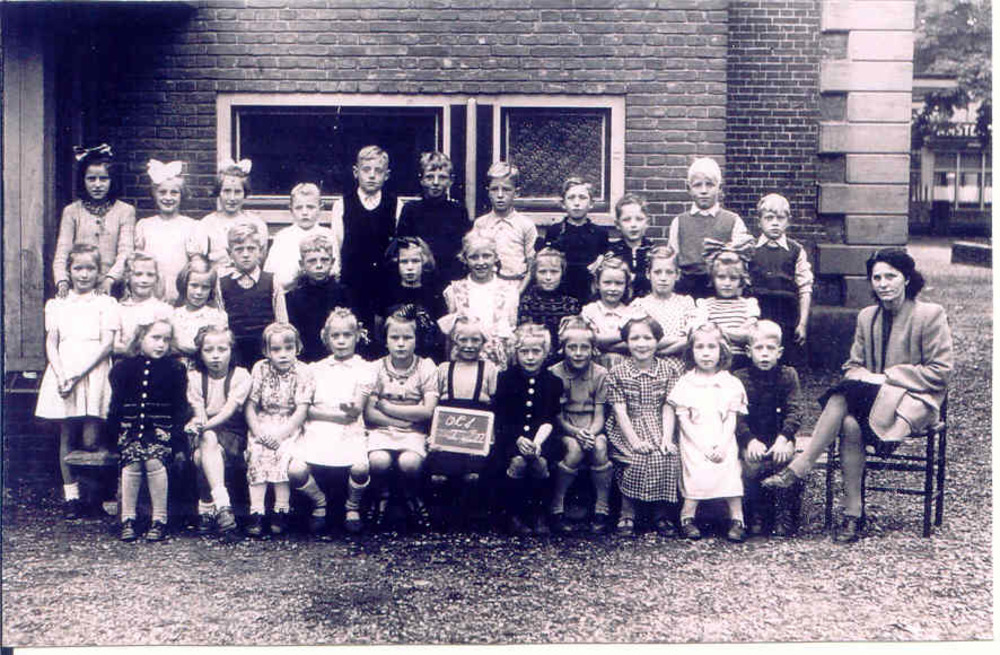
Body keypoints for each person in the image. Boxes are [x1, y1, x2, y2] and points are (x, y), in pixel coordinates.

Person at [763, 248, 953, 543]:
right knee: (849, 423)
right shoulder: (867, 317)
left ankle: (800, 467)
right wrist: (864, 376)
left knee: (843, 396)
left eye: (891, 276)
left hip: (913, 402)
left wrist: (888, 377)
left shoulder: (930, 315)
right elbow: (853, 366)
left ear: (907, 278)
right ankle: (853, 515)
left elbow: (940, 372)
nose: (883, 283)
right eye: (877, 278)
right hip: (872, 398)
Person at [35, 244, 118, 518]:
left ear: (99, 271)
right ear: (69, 271)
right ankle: (72, 497)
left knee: (92, 437)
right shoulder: (57, 304)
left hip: (93, 370)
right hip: (64, 370)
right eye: (78, 268)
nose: (84, 274)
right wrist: (61, 374)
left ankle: (94, 495)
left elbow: (107, 344)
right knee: (67, 435)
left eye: (90, 268)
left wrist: (78, 374)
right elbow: (52, 342)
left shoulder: (106, 303)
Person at [291, 309, 374, 535]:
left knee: (360, 467)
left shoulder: (365, 369)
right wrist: (334, 415)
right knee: (296, 470)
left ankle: (352, 506)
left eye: (347, 335)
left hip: (349, 431)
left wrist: (349, 411)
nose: (341, 341)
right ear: (325, 337)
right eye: (335, 335)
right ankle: (319, 502)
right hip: (317, 430)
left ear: (357, 336)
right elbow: (305, 408)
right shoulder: (314, 369)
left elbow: (355, 410)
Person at [108, 319, 189, 542]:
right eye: (155, 338)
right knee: (131, 461)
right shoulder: (123, 369)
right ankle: (128, 518)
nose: (161, 344)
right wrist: (112, 436)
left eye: (166, 339)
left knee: (154, 460)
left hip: (162, 432)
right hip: (131, 431)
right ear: (140, 338)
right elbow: (116, 406)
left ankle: (159, 519)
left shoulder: (175, 369)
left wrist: (178, 441)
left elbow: (180, 408)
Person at [668, 321, 749, 543]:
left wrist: (722, 444)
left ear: (722, 350)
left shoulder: (730, 383)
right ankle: (687, 517)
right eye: (700, 347)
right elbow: (683, 419)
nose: (705, 353)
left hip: (723, 438)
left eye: (711, 347)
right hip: (694, 440)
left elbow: (731, 418)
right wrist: (702, 446)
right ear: (691, 351)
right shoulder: (686, 383)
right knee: (696, 471)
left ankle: (737, 518)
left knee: (730, 469)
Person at [605, 315, 685, 537]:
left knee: (666, 454)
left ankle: (661, 514)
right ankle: (627, 513)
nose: (642, 344)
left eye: (648, 338)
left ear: (657, 341)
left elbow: (668, 407)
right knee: (637, 456)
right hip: (627, 425)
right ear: (626, 342)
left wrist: (666, 438)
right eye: (635, 338)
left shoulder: (668, 370)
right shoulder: (618, 372)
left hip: (659, 423)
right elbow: (620, 411)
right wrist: (635, 441)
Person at [365, 305, 440, 532]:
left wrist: (387, 406)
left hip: (415, 433)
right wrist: (402, 421)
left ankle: (411, 495)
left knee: (409, 463)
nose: (400, 343)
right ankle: (382, 495)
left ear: (417, 340)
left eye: (407, 338)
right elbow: (370, 413)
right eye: (394, 337)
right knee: (378, 460)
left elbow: (427, 411)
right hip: (382, 430)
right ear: (385, 340)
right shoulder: (375, 368)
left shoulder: (426, 367)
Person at [426, 315, 499, 529]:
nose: (469, 345)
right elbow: (435, 406)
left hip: (477, 436)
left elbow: (495, 404)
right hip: (447, 434)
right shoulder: (443, 369)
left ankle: (469, 515)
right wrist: (433, 435)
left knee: (473, 476)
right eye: (463, 340)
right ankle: (442, 516)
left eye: (475, 340)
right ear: (454, 340)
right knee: (439, 477)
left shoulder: (489, 369)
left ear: (483, 342)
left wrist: (490, 436)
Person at [734, 321, 804, 537]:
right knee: (751, 467)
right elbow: (737, 416)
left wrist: (784, 438)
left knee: (787, 463)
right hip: (752, 438)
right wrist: (749, 441)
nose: (764, 354)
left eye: (770, 348)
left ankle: (784, 514)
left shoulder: (788, 375)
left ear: (779, 352)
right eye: (759, 348)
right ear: (749, 351)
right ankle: (755, 514)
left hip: (779, 437)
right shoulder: (740, 378)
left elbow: (795, 411)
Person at [244, 323, 315, 538]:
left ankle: (281, 510)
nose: (283, 354)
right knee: (257, 452)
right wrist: (258, 431)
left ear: (297, 348)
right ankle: (257, 511)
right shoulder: (260, 368)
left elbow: (302, 409)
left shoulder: (303, 371)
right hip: (263, 422)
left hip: (289, 424)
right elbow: (250, 405)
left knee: (283, 454)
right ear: (266, 351)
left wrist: (282, 434)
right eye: (276, 349)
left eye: (288, 348)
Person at [494, 323, 563, 535]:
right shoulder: (505, 378)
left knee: (540, 462)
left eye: (536, 351)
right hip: (510, 437)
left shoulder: (553, 381)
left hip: (543, 437)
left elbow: (549, 417)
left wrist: (537, 443)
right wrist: (518, 439)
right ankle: (514, 515)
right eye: (524, 352)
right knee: (518, 461)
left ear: (546, 352)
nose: (530, 357)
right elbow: (502, 417)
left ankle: (539, 513)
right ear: (516, 353)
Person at [548, 317, 613, 534]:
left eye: (584, 347)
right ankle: (557, 506)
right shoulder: (555, 373)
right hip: (565, 428)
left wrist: (590, 433)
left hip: (592, 426)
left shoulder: (600, 374)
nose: (578, 353)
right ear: (563, 349)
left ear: (593, 349)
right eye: (572, 347)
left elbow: (600, 414)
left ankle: (601, 509)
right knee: (574, 449)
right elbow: (557, 417)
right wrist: (577, 433)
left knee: (600, 447)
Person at [184, 325, 249, 538]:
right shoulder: (194, 378)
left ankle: (206, 508)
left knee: (201, 454)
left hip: (232, 432)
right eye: (208, 350)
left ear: (231, 350)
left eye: (222, 349)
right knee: (202, 448)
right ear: (200, 353)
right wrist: (196, 424)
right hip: (206, 433)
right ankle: (223, 506)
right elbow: (199, 412)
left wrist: (202, 427)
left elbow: (228, 411)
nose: (215, 356)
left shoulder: (240, 376)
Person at [53, 144, 135, 298]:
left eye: (103, 179)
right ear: (83, 180)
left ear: (112, 180)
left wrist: (110, 279)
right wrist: (62, 280)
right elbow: (62, 251)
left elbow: (126, 251)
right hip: (80, 285)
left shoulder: (125, 211)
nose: (97, 185)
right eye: (91, 179)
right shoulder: (72, 211)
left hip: (113, 287)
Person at [667, 157, 748, 299]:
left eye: (709, 185)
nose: (703, 191)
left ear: (719, 188)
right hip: (687, 292)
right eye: (697, 185)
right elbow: (672, 262)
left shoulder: (733, 220)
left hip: (721, 292)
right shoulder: (679, 222)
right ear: (689, 188)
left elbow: (741, 264)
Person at [749, 193, 813, 366]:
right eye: (769, 218)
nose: (775, 223)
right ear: (759, 221)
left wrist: (802, 323)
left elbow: (805, 288)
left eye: (780, 218)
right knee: (759, 353)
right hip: (758, 309)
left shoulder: (796, 250)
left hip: (786, 312)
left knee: (784, 357)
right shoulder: (750, 249)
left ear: (788, 221)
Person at [439, 231, 519, 370]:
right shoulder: (454, 291)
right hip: (464, 361)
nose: (481, 262)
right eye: (474, 257)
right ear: (464, 259)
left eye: (486, 256)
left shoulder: (509, 291)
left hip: (498, 364)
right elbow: (449, 335)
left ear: (496, 257)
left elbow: (511, 327)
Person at [218, 223, 288, 369]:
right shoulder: (222, 284)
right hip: (234, 353)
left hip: (266, 352)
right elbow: (220, 324)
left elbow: (282, 323)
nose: (245, 254)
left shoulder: (271, 281)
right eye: (239, 249)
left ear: (261, 251)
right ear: (230, 253)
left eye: (251, 248)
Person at [336, 145, 399, 308]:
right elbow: (338, 246)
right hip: (352, 284)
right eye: (366, 170)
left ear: (387, 175)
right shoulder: (342, 205)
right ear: (356, 172)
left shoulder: (395, 204)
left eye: (378, 171)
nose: (372, 175)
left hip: (385, 284)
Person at [396, 151, 471, 285]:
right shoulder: (411, 210)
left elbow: (462, 249)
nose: (435, 183)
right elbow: (404, 248)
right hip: (419, 279)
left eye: (442, 177)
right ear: (422, 179)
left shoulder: (458, 210)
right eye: (430, 177)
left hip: (451, 278)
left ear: (451, 180)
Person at [284, 234, 357, 363]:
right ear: (302, 264)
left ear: (332, 262)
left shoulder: (345, 294)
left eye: (324, 260)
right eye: (312, 261)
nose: (319, 265)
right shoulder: (292, 298)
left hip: (339, 358)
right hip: (305, 360)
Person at [190, 158, 269, 275]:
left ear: (245, 193)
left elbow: (260, 260)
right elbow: (198, 263)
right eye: (227, 191)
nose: (232, 198)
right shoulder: (206, 224)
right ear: (219, 193)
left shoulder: (256, 223)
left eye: (237, 192)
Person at [135, 159, 198, 304]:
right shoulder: (145, 225)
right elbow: (138, 263)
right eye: (162, 192)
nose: (168, 198)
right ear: (154, 194)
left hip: (181, 294)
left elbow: (194, 264)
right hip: (151, 293)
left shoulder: (191, 226)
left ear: (181, 195)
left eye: (174, 193)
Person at [692, 239, 760, 370]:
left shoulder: (749, 304)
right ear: (713, 278)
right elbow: (700, 333)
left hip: (741, 362)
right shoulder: (705, 305)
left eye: (733, 278)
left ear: (741, 280)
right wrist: (735, 333)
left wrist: (716, 328)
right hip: (712, 360)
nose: (727, 283)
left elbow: (748, 335)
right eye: (721, 277)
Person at [377, 236, 446, 360]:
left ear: (424, 262)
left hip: (427, 356)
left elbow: (440, 332)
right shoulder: (387, 293)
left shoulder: (433, 293)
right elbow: (379, 331)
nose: (410, 267)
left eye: (415, 261)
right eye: (404, 262)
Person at [473, 161, 537, 294]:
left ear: (516, 193)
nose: (500, 195)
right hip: (487, 287)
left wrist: (518, 293)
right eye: (494, 189)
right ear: (488, 192)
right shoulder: (481, 224)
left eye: (506, 189)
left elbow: (532, 266)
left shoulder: (525, 225)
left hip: (518, 286)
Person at [264, 182, 340, 292]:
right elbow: (270, 272)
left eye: (310, 207)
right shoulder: (282, 237)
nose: (304, 212)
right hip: (288, 292)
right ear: (291, 210)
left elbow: (335, 270)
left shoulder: (328, 235)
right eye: (299, 208)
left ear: (320, 208)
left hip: (323, 291)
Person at [544, 176, 609, 304]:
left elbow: (604, 260)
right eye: (571, 198)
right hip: (561, 291)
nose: (577, 203)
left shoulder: (599, 233)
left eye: (582, 198)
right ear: (563, 203)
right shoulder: (555, 231)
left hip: (589, 291)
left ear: (591, 204)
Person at [516, 247, 581, 365]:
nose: (548, 277)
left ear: (562, 273)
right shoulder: (527, 302)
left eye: (554, 272)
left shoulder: (570, 304)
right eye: (542, 272)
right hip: (534, 359)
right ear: (534, 274)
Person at [629, 244, 695, 362]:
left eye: (669, 272)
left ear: (677, 275)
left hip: (681, 364)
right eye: (657, 272)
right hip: (649, 365)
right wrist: (679, 341)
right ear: (648, 274)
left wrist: (659, 350)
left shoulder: (686, 303)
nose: (663, 278)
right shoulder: (639, 305)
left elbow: (692, 339)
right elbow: (639, 341)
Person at [170, 255, 229, 367]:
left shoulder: (217, 316)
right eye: (194, 286)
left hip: (204, 368)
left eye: (205, 287)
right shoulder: (174, 315)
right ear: (185, 285)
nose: (199, 292)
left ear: (211, 289)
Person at [580, 254, 636, 370]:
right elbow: (592, 339)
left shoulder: (632, 312)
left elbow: (636, 343)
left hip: (627, 370)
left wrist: (604, 345)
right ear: (597, 284)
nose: (613, 288)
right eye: (607, 282)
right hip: (594, 370)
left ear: (626, 285)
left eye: (619, 283)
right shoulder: (590, 311)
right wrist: (626, 335)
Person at [114, 252, 173, 357]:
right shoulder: (119, 309)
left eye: (150, 275)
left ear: (157, 278)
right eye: (138, 274)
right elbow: (115, 347)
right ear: (128, 277)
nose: (144, 280)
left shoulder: (164, 309)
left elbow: (170, 345)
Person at [608, 193, 656, 299]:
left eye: (639, 219)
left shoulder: (654, 253)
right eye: (627, 220)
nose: (633, 225)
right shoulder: (611, 253)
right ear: (617, 224)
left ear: (647, 223)